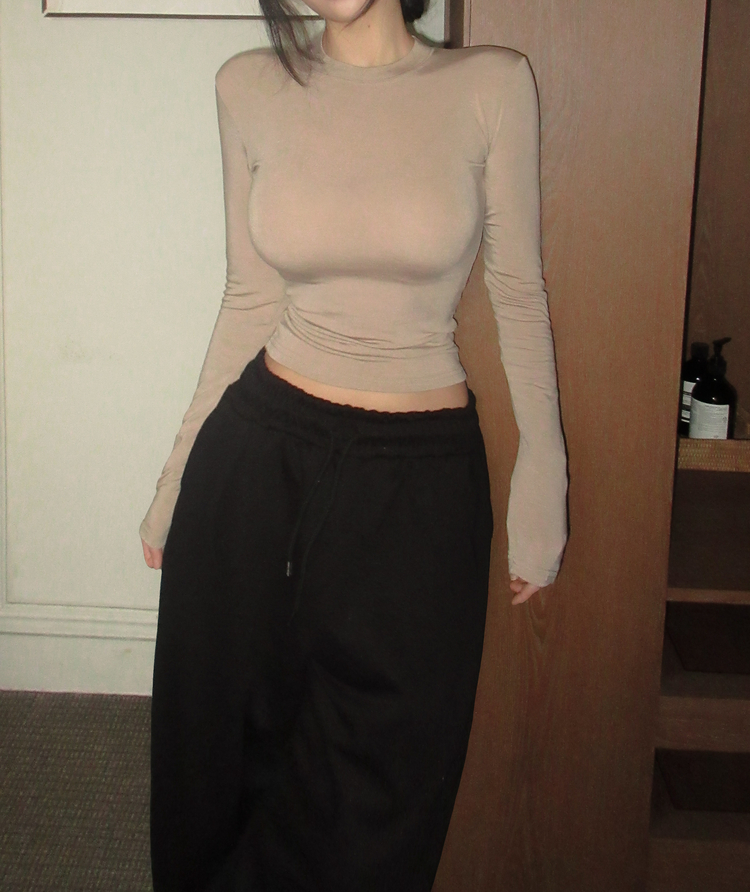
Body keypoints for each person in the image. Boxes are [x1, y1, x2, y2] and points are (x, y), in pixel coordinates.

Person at [140, 0, 568, 889]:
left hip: (417, 479)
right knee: (215, 760)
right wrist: (175, 480)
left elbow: (518, 293)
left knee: (384, 783)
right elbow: (248, 299)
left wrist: (544, 477)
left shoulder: (491, 84)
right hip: (256, 459)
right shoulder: (248, 85)